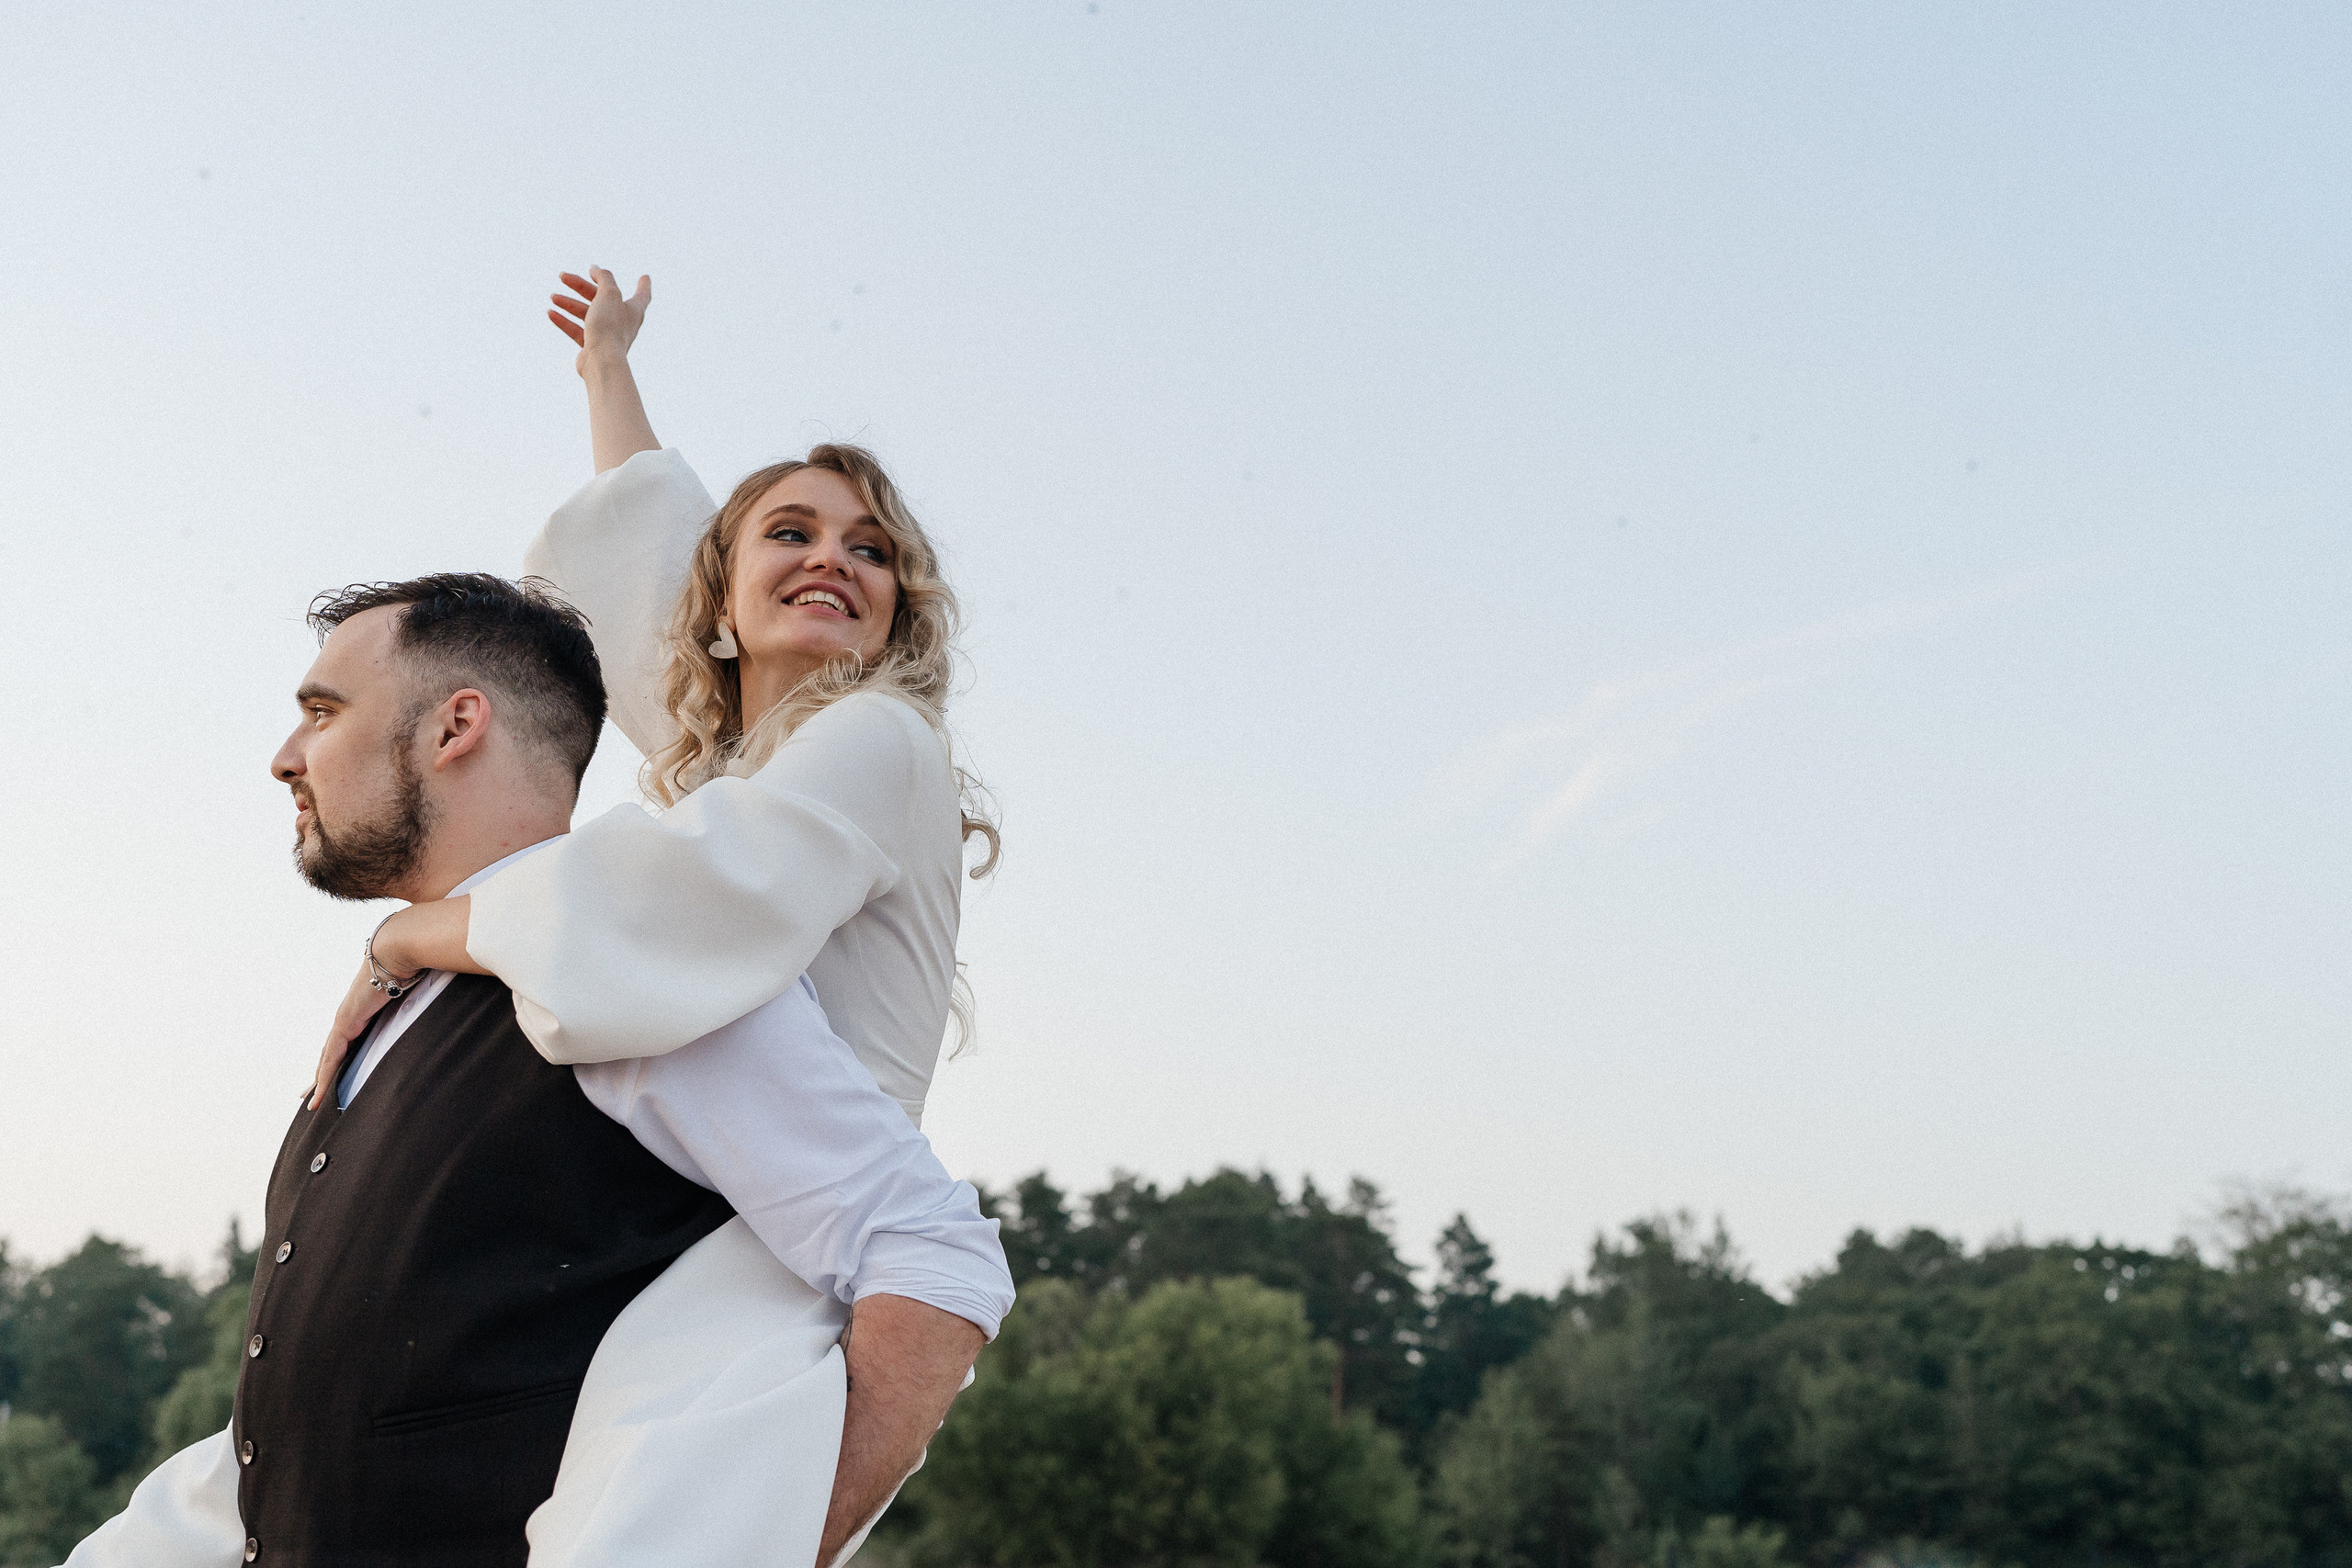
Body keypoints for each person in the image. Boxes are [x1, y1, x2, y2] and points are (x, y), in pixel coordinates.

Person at [62, 576, 1012, 1568]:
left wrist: (778, 1539)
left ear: (455, 726)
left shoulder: (641, 979)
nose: (285, 758)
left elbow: (931, 1258)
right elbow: (347, 1417)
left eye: (322, 711)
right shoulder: (395, 1009)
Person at [298, 265, 1004, 1557]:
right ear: (725, 600)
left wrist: (407, 932)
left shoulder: (878, 738)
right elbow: (644, 565)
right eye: (790, 533)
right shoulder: (727, 760)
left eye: (871, 549)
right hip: (677, 1215)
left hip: (793, 1246)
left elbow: (664, 907)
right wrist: (607, 370)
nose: (833, 559)